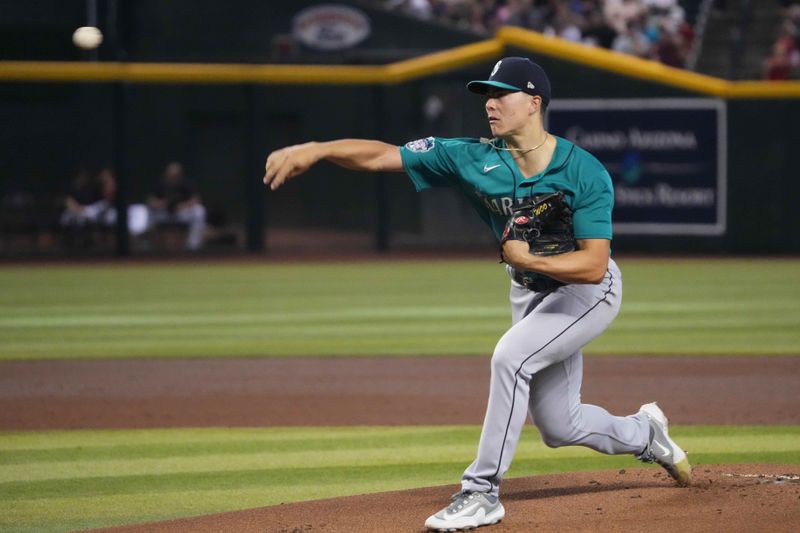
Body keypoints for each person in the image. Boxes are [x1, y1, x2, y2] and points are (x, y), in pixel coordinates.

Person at [263, 56, 692, 531]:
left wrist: (527, 260)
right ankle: (645, 434)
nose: (490, 103)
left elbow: (592, 266)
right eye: (486, 94)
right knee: (560, 426)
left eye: (501, 94)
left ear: (534, 103)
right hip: (530, 293)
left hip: (586, 290)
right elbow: (384, 155)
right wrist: (319, 149)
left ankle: (480, 491)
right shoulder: (471, 157)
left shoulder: (582, 171)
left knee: (511, 357)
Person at [147, 161, 206, 250]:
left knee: (199, 211)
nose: (174, 177)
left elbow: (196, 199)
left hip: (181, 213)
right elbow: (150, 201)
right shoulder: (161, 184)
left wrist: (184, 205)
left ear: (180, 175)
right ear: (167, 174)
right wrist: (162, 204)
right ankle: (149, 244)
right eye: (171, 175)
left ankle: (193, 246)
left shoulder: (185, 183)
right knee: (148, 211)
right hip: (164, 213)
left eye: (176, 175)